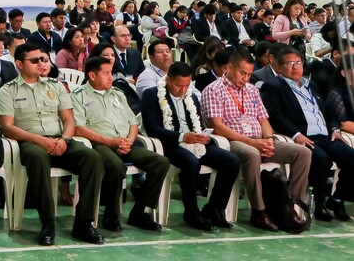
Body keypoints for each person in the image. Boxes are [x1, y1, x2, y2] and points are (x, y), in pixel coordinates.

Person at [0, 42, 106, 246]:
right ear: (19, 63)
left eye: (42, 59)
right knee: (37, 158)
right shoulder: (7, 91)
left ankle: (84, 223)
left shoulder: (55, 86)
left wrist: (65, 139)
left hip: (59, 139)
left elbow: (69, 119)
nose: (41, 63)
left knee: (93, 158)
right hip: (30, 141)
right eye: (34, 60)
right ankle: (47, 223)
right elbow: (7, 127)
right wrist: (39, 140)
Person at [200, 46, 312, 231]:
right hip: (233, 141)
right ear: (229, 68)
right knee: (252, 154)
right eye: (242, 73)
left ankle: (290, 205)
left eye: (249, 75)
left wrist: (268, 139)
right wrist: (253, 142)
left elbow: (264, 120)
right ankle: (259, 211)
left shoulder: (252, 90)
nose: (245, 79)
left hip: (259, 140)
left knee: (302, 153)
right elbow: (218, 127)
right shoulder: (214, 90)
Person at [71, 56, 170, 233]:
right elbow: (78, 129)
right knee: (115, 166)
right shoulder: (78, 95)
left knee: (160, 162)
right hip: (99, 144)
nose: (111, 77)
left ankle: (139, 211)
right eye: (107, 73)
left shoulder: (118, 93)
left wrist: (129, 141)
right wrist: (110, 141)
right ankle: (111, 213)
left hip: (125, 142)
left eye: (112, 73)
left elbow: (133, 122)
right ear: (92, 76)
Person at [140, 62, 240, 230]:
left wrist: (204, 137)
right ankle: (191, 211)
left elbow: (198, 125)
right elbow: (152, 128)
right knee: (191, 162)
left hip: (194, 142)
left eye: (187, 85)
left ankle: (215, 208)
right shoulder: (152, 94)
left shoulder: (192, 97)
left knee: (231, 161)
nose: (183, 89)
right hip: (170, 143)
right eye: (179, 85)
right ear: (169, 80)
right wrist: (181, 136)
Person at [260, 46, 354, 221]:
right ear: (280, 67)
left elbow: (327, 111)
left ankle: (337, 200)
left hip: (325, 136)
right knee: (322, 160)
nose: (295, 67)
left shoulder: (311, 85)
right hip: (303, 136)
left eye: (298, 63)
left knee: (352, 157)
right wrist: (296, 134)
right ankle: (318, 205)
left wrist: (334, 128)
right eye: (290, 63)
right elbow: (275, 115)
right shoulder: (273, 86)